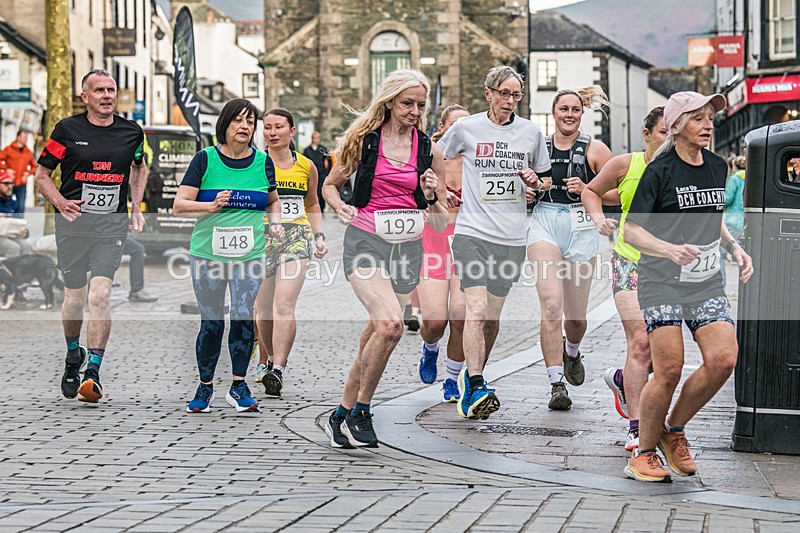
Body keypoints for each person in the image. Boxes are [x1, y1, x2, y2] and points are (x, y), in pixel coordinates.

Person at [623, 91, 753, 482]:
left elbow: (712, 216)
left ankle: (672, 429)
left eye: (710, 117)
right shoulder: (659, 171)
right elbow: (632, 229)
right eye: (698, 118)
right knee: (669, 368)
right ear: (677, 126)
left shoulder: (716, 165)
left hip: (705, 281)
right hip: (661, 280)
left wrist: (733, 247)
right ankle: (643, 454)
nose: (708, 125)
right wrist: (668, 249)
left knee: (723, 359)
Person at [321, 69, 448, 448]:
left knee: (376, 333)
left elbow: (441, 221)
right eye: (407, 103)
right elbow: (330, 185)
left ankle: (340, 414)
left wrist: (428, 195)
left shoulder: (429, 150)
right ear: (390, 101)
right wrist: (339, 206)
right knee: (391, 325)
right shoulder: (364, 142)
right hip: (366, 241)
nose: (414, 111)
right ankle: (362, 409)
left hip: (406, 249)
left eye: (420, 105)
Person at [438, 66, 551, 420]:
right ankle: (476, 381)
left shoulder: (531, 132)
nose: (510, 101)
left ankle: (473, 385)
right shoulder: (467, 128)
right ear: (488, 93)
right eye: (504, 93)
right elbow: (434, 155)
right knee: (476, 310)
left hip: (512, 237)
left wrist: (536, 182)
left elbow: (545, 180)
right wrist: (441, 193)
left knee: (492, 320)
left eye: (516, 95)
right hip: (472, 233)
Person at [34, 69, 146, 403]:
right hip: (73, 225)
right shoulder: (66, 130)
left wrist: (137, 206)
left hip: (110, 227)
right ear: (85, 97)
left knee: (100, 295)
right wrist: (59, 201)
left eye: (111, 90)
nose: (107, 96)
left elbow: (138, 167)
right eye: (99, 90)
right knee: (74, 297)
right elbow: (41, 175)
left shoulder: (131, 132)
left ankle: (93, 371)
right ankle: (73, 354)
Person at [173, 98, 283, 414]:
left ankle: (238, 385)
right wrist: (210, 206)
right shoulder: (205, 160)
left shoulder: (263, 162)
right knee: (212, 322)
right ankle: (205, 387)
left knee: (243, 315)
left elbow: (273, 202)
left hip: (250, 255)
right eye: (238, 120)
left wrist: (274, 224)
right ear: (226, 124)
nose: (245, 126)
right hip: (208, 254)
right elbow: (179, 205)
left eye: (251, 121)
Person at [581, 106, 667, 451]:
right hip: (629, 262)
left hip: (668, 269)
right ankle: (636, 427)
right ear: (647, 134)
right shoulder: (625, 165)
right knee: (641, 343)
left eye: (673, 132)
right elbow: (591, 191)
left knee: (663, 352)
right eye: (663, 132)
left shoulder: (684, 168)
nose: (668, 139)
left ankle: (622, 379)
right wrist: (599, 218)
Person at [527, 86, 613, 411]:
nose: (569, 115)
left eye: (574, 110)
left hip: (581, 229)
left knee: (575, 318)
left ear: (582, 113)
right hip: (545, 223)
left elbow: (620, 191)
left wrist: (590, 190)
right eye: (563, 109)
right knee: (551, 305)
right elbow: (520, 185)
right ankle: (556, 384)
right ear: (553, 113)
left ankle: (572, 351)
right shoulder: (538, 148)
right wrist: (527, 194)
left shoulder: (594, 149)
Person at [253, 108, 328, 397]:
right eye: (268, 127)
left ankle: (279, 369)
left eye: (279, 127)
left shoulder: (307, 166)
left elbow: (312, 204)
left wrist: (319, 235)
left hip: (296, 237)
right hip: (262, 238)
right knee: (263, 309)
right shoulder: (255, 163)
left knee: (284, 304)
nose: (272, 133)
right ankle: (268, 357)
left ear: (292, 131)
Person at [417, 103, 470, 402]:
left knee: (461, 316)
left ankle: (451, 378)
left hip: (468, 244)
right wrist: (431, 198)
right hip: (434, 241)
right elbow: (412, 195)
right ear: (443, 128)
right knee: (436, 322)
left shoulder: (479, 162)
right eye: (455, 126)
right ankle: (430, 347)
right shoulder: (430, 159)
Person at [721, 155, 746, 286]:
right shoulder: (752, 177)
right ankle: (745, 284)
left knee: (720, 252)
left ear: (734, 166)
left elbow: (728, 199)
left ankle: (722, 284)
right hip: (745, 222)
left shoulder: (735, 179)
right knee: (742, 255)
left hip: (734, 221)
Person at [0, 130, 37, 213]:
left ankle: (19, 224)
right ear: (18, 137)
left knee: (20, 207)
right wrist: (7, 169)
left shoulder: (28, 152)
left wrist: (28, 173)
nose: (26, 139)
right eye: (24, 137)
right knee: (6, 205)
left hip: (22, 184)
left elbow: (34, 167)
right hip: (9, 183)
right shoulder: (9, 149)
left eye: (26, 138)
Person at [0, 170, 33, 258]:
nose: (10, 186)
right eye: (6, 184)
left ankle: (27, 271)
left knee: (26, 246)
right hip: (1, 237)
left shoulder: (13, 204)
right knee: (13, 248)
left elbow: (20, 223)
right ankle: (9, 271)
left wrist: (25, 232)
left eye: (11, 183)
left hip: (11, 235)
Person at [122, 236, 158, 302]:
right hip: (107, 235)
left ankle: (136, 290)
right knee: (137, 250)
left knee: (138, 249)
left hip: (110, 233)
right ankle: (136, 290)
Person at [302, 131, 332, 212]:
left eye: (318, 138)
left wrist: (327, 171)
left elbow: (329, 159)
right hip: (311, 174)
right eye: (315, 138)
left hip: (321, 173)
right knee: (312, 191)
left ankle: (321, 207)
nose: (317, 140)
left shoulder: (322, 148)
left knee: (321, 191)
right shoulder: (307, 150)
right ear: (312, 139)